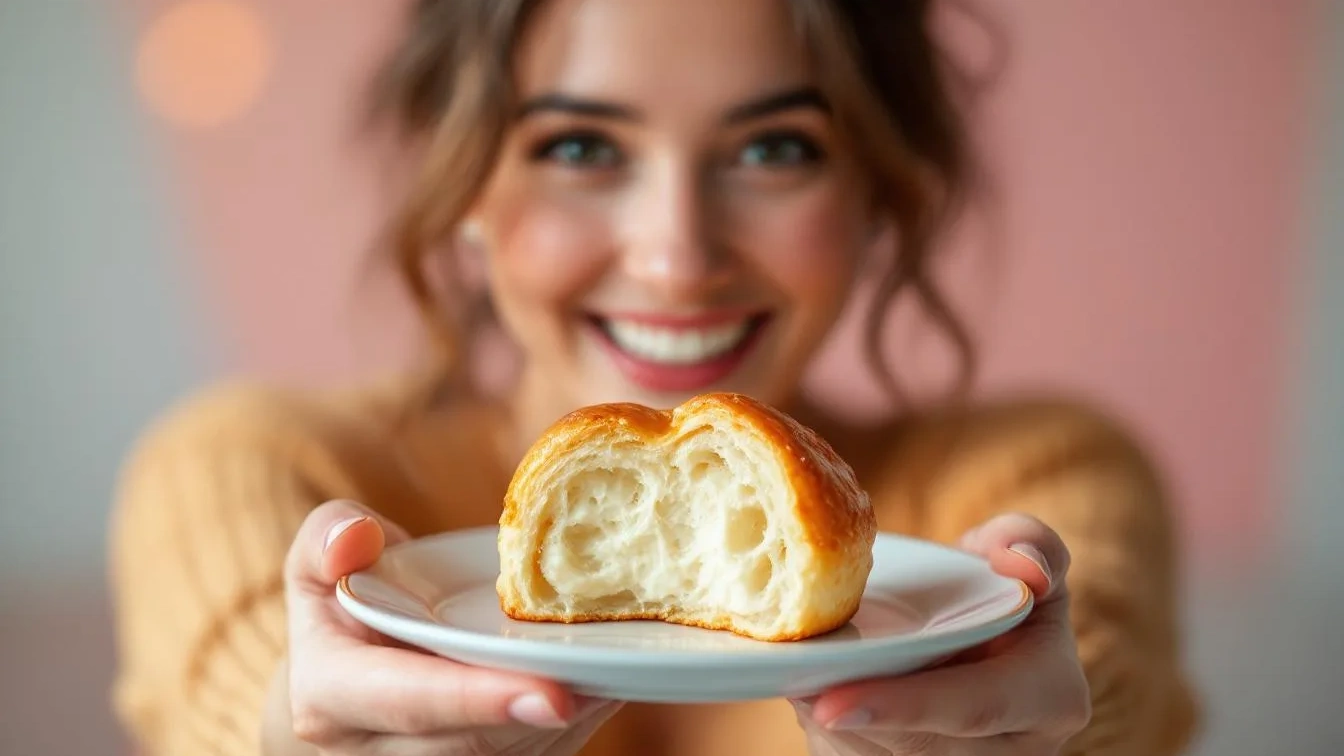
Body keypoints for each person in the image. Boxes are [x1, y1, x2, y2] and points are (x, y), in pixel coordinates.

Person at [107, 0, 1200, 754]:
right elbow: (253, 701)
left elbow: (1096, 693)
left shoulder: (1035, 488)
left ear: (879, 189)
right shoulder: (256, 470)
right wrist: (292, 736)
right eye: (581, 148)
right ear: (464, 185)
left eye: (774, 149)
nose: (677, 257)